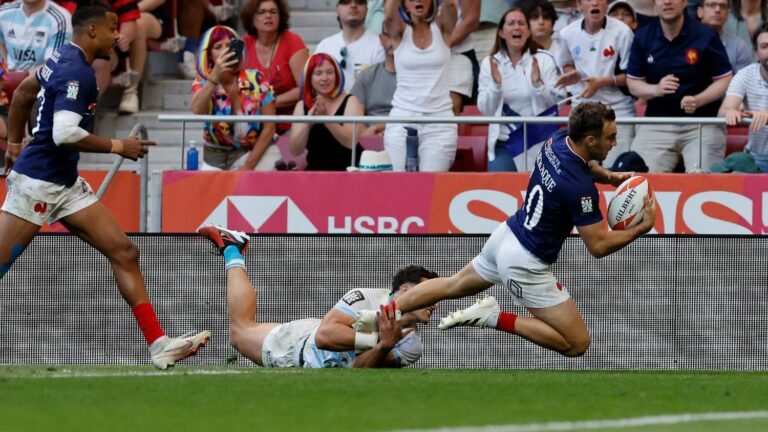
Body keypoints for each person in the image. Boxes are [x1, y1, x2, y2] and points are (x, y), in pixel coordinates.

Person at [355, 102, 657, 358]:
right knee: (577, 343)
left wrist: (611, 177)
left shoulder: (558, 140)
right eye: (610, 137)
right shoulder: (580, 190)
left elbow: (585, 165)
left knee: (451, 285)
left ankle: (381, 312)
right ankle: (494, 317)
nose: (614, 143)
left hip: (506, 235)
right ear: (590, 140)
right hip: (525, 262)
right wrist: (641, 228)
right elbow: (599, 246)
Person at [0, 4, 209, 370]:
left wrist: (15, 145)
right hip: (39, 185)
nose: (119, 36)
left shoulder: (60, 57)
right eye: (113, 28)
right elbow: (65, 133)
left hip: (63, 183)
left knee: (125, 251)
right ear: (92, 31)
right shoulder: (75, 70)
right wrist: (118, 146)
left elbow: (23, 95)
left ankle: (158, 344)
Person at [197, 224, 438, 368]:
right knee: (239, 332)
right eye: (429, 293)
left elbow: (360, 368)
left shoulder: (412, 346)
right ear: (406, 290)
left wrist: (385, 345)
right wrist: (379, 340)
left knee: (245, 328)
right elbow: (324, 337)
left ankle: (233, 248)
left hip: (318, 363)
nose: (436, 303)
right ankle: (233, 248)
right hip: (296, 347)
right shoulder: (366, 297)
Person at [626, 0, 732, 172]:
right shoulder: (643, 36)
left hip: (701, 124)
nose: (667, 2)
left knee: (704, 180)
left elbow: (724, 79)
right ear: (655, 4)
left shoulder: (706, 35)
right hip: (657, 124)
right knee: (638, 180)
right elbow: (633, 84)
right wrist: (656, 89)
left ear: (684, 3)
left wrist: (698, 100)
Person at [478, 6, 561, 172]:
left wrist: (538, 85)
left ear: (529, 31)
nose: (517, 27)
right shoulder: (490, 63)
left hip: (540, 141)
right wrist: (496, 86)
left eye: (521, 23)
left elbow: (556, 101)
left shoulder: (544, 59)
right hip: (506, 144)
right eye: (511, 23)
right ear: (501, 32)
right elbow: (485, 110)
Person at [555, 0, 636, 168]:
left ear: (606, 4)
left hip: (617, 109)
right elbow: (566, 63)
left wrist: (602, 82)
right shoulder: (567, 33)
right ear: (579, 4)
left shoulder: (623, 32)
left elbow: (632, 76)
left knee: (617, 169)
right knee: (579, 168)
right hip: (582, 110)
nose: (595, 3)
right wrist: (573, 74)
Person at [383, 0, 458, 172]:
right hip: (401, 117)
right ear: (405, 5)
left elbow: (451, 6)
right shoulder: (399, 31)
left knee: (431, 184)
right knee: (398, 184)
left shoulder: (442, 28)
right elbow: (388, 15)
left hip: (439, 121)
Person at [190, 25, 279, 171]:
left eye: (229, 45)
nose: (225, 50)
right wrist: (214, 78)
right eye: (218, 47)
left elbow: (270, 127)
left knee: (265, 171)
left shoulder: (256, 78)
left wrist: (248, 166)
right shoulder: (202, 82)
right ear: (209, 55)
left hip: (252, 152)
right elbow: (197, 110)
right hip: (216, 157)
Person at [240, 0, 308, 134]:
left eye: (273, 12)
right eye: (261, 12)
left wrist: (267, 104)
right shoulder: (244, 45)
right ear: (251, 19)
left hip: (289, 124)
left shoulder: (293, 42)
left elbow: (305, 89)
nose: (268, 16)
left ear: (280, 17)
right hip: (253, 125)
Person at [289, 52, 364, 171]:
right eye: (318, 73)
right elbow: (295, 151)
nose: (325, 78)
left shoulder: (351, 101)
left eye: (329, 72)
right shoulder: (301, 106)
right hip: (316, 172)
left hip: (350, 171)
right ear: (309, 78)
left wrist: (326, 117)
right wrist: (308, 124)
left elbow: (350, 142)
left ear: (337, 75)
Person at [719, 22, 768, 172]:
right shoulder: (746, 75)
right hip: (757, 157)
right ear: (756, 52)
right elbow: (722, 112)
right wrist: (730, 111)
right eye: (764, 47)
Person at [314, 0, 385, 92]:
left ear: (367, 10)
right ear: (337, 10)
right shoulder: (324, 46)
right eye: (346, 2)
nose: (353, 5)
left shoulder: (379, 46)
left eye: (359, 2)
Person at [0, 0, 72, 74]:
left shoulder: (60, 19)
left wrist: (19, 77)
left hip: (39, 82)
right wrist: (6, 65)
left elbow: (53, 66)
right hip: (7, 78)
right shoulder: (3, 13)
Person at [350, 25, 396, 137]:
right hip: (372, 140)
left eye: (398, 35)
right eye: (388, 35)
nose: (393, 40)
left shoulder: (417, 77)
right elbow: (354, 116)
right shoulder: (367, 75)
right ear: (381, 39)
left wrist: (385, 127)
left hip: (407, 136)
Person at [697, 0, 753, 73]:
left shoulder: (739, 47)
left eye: (723, 6)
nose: (717, 10)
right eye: (711, 5)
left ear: (728, 14)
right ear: (700, 11)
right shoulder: (684, 41)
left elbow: (743, 82)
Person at [447, 0, 480, 114]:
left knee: (448, 110)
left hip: (457, 53)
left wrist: (439, 46)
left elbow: (471, 20)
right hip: (419, 51)